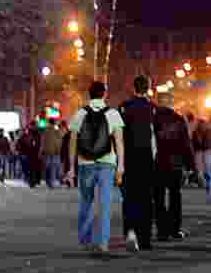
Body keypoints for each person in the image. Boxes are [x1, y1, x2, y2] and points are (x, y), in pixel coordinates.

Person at [66, 81, 125, 255]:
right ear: (104, 94)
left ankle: (85, 240)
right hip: (107, 163)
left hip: (85, 163)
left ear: (89, 94)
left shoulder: (80, 113)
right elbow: (119, 142)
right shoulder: (113, 114)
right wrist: (121, 166)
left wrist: (71, 167)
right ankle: (103, 243)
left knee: (87, 201)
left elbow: (72, 142)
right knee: (105, 203)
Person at [119, 75, 156, 252]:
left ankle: (130, 233)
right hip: (146, 158)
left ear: (133, 87)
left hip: (128, 158)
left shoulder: (124, 108)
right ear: (147, 88)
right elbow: (155, 137)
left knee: (129, 198)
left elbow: (117, 136)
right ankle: (145, 238)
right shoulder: (152, 108)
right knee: (146, 198)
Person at [154, 91, 192, 241]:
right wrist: (189, 166)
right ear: (171, 102)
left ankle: (162, 231)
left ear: (158, 102)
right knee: (175, 196)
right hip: (175, 163)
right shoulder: (178, 119)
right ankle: (175, 229)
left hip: (157, 162)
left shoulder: (153, 119)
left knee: (158, 198)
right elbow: (186, 144)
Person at [40, 119, 64, 189]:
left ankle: (49, 182)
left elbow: (42, 142)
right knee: (53, 168)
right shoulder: (56, 131)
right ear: (54, 123)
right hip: (55, 152)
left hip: (47, 152)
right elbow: (59, 141)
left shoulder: (45, 131)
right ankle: (52, 182)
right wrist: (58, 149)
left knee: (48, 167)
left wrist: (41, 151)